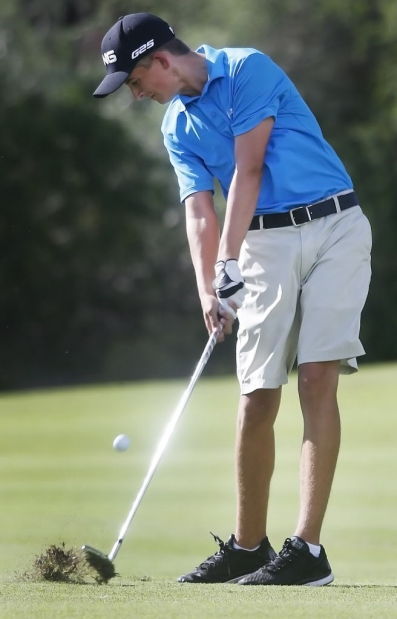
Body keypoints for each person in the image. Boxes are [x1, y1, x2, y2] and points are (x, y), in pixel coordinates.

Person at [93, 13, 372, 586]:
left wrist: (228, 261)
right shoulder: (176, 126)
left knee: (317, 376)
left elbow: (248, 169)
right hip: (261, 243)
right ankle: (248, 547)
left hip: (334, 225)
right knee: (256, 395)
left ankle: (308, 552)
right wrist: (208, 289)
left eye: (134, 80)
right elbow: (200, 211)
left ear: (159, 61)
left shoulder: (247, 69)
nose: (136, 93)